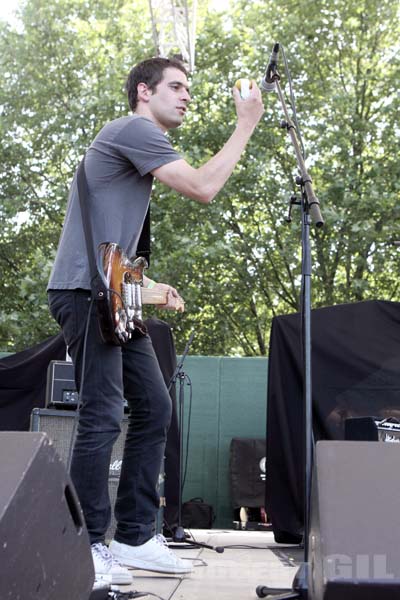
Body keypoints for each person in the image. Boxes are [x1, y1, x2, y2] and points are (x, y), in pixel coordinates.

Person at [47, 57, 264, 584]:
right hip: (84, 291)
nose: (187, 96)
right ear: (144, 92)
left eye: (188, 88)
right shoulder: (133, 129)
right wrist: (245, 124)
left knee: (155, 405)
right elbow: (203, 186)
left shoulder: (135, 145)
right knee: (102, 413)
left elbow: (111, 247)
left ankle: (137, 535)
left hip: (116, 294)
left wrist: (144, 287)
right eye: (177, 86)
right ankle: (86, 546)